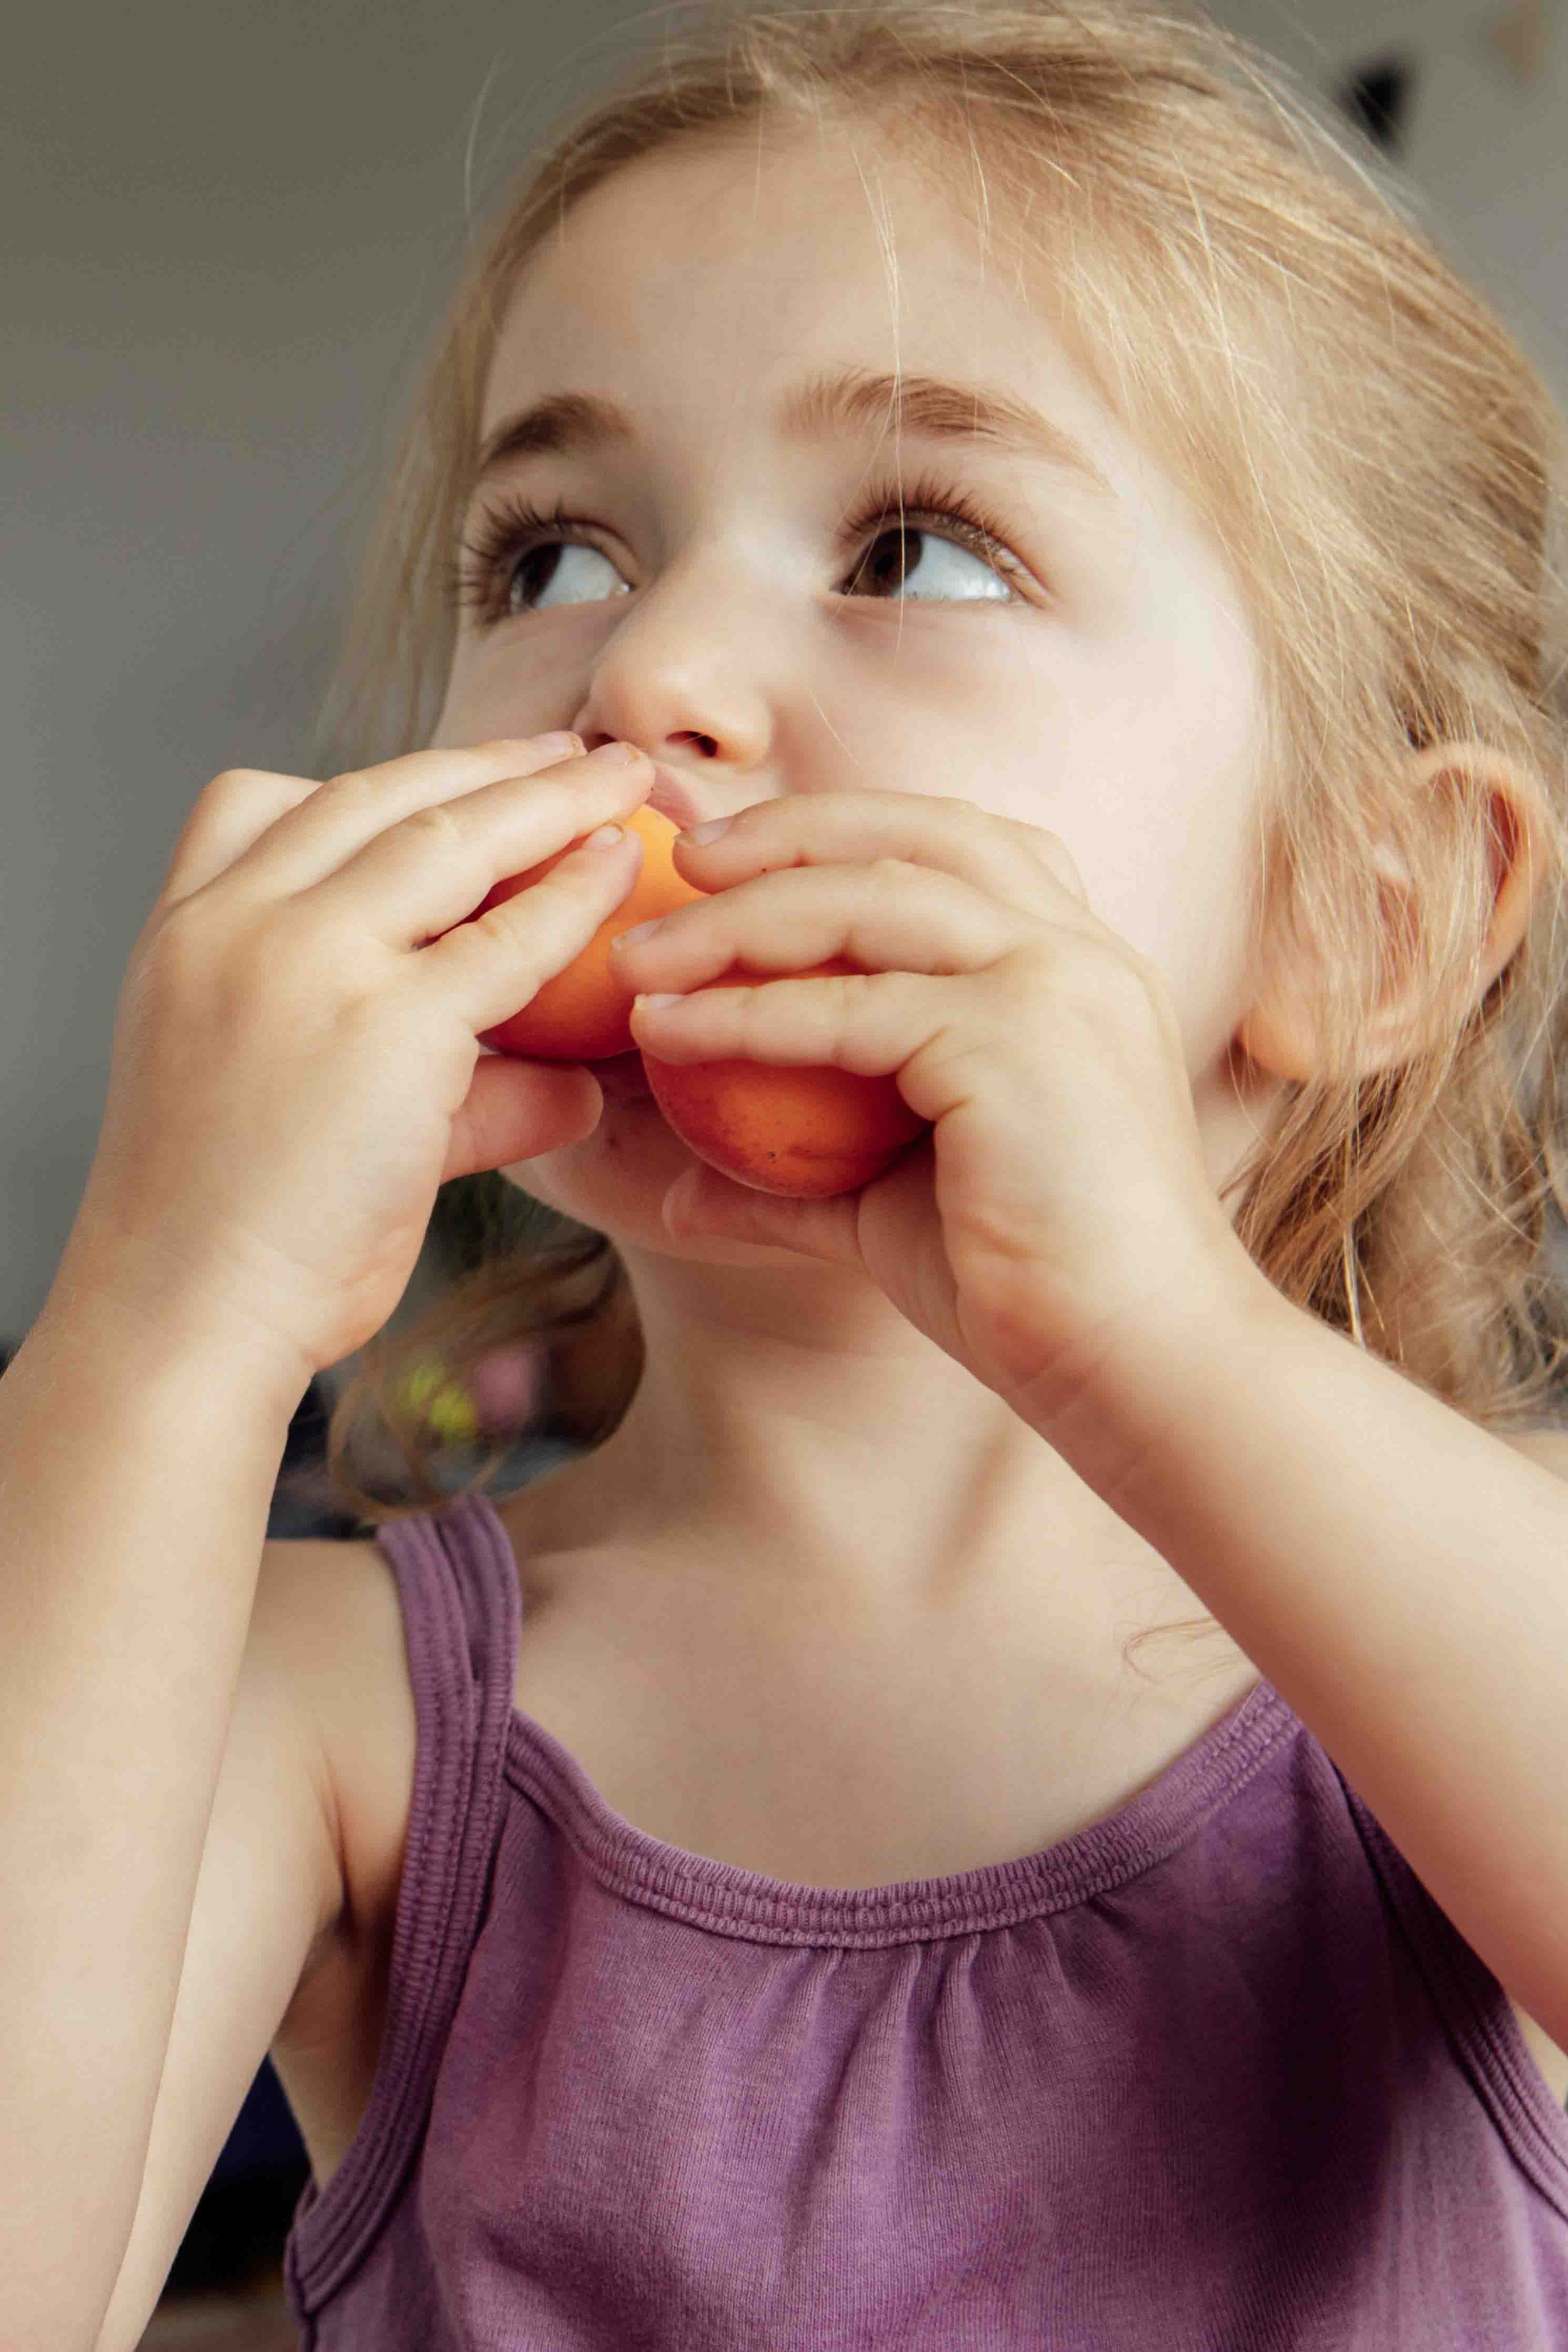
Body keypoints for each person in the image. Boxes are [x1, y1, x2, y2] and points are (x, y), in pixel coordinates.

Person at [8, 3, 1568, 2344]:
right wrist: (157, 1328)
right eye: (549, 554)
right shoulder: (331, 1711)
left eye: (917, 550)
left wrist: (1149, 1333)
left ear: (1363, 921)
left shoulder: (1472, 1609)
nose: (646, 669)